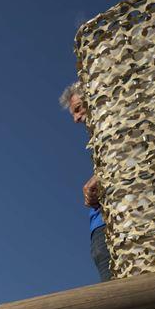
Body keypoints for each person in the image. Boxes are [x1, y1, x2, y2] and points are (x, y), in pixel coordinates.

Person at [59, 81, 112, 281]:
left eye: (78, 109)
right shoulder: (99, 142)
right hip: (100, 226)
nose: (76, 119)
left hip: (106, 227)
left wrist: (97, 180)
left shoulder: (113, 133)